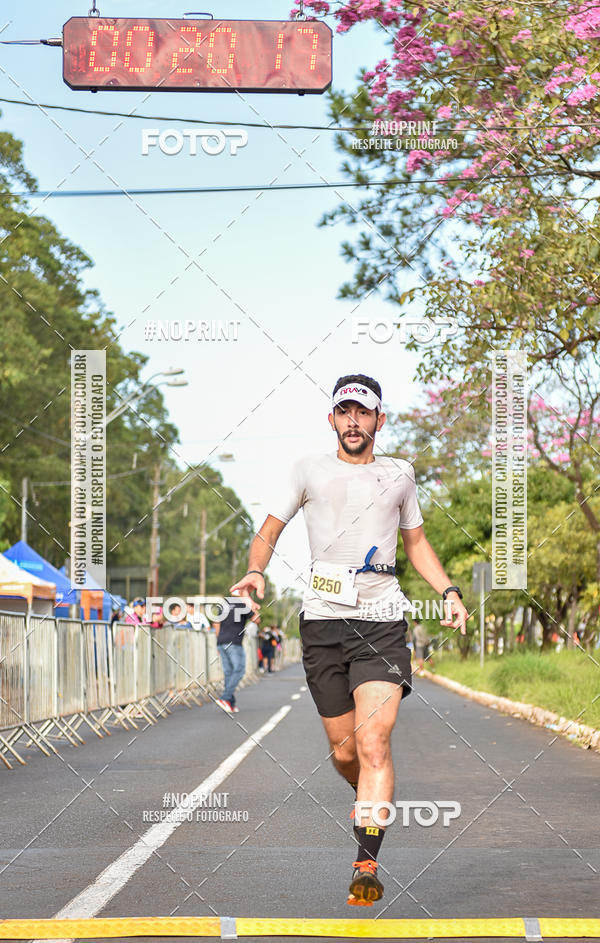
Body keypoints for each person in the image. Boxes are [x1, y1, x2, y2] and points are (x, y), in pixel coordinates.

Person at [231, 373, 469, 906]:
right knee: (344, 754)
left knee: (373, 741)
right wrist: (255, 571)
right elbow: (269, 530)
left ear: (379, 420)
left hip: (383, 620)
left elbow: (417, 543)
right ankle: (371, 795)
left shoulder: (400, 475)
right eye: (344, 412)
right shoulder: (307, 470)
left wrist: (449, 590)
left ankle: (366, 861)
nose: (353, 421)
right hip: (322, 623)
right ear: (332, 419)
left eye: (363, 412)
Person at [211, 595, 257, 713]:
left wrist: (218, 640)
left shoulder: (224, 605)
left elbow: (216, 622)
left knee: (228, 672)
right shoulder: (242, 604)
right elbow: (256, 619)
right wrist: (253, 607)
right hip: (234, 643)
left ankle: (230, 703)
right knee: (239, 670)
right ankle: (225, 698)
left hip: (222, 641)